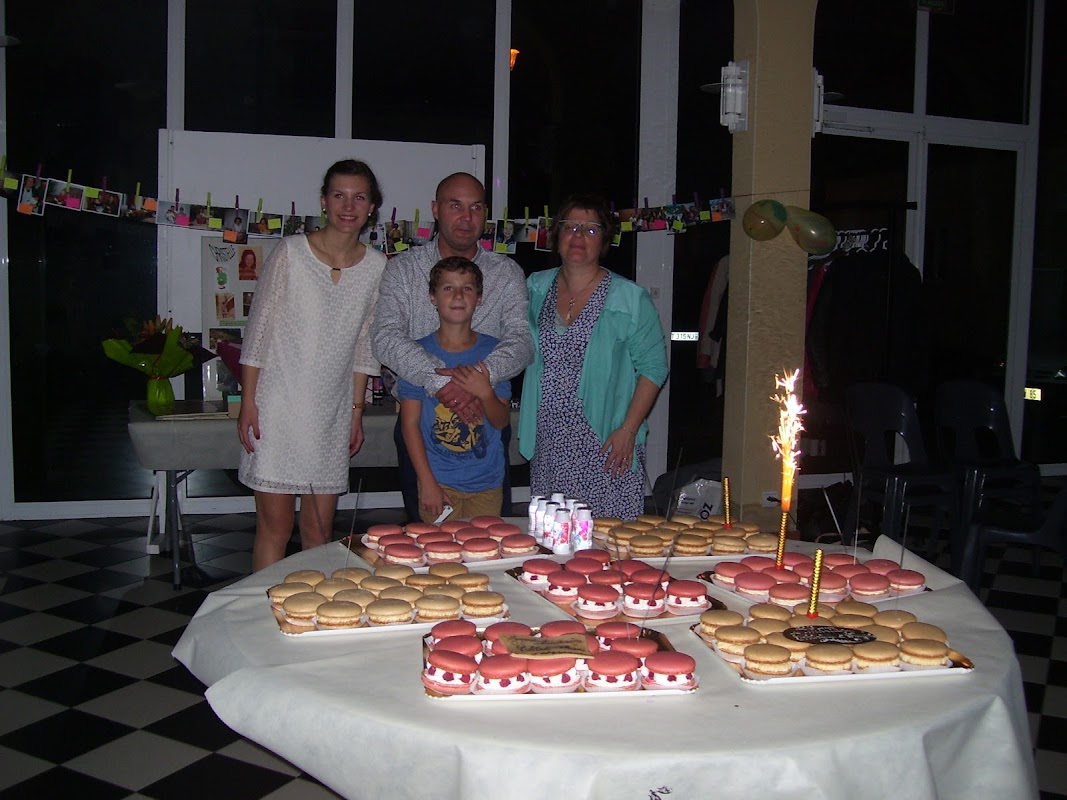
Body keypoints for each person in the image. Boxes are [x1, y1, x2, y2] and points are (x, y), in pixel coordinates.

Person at [237, 159, 387, 571]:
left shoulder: (377, 267)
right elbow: (258, 332)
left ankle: (312, 618)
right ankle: (266, 621)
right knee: (275, 528)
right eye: (339, 195)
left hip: (330, 415)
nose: (348, 205)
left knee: (319, 532)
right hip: (277, 409)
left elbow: (364, 348)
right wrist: (248, 401)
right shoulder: (290, 253)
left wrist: (356, 414)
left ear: (372, 206)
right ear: (324, 201)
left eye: (359, 197)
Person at [372, 172, 532, 521]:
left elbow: (521, 341)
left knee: (489, 540)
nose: (466, 217)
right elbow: (384, 336)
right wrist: (443, 383)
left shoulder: (506, 273)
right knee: (428, 541)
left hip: (486, 428)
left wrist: (480, 379)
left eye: (476, 207)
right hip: (422, 429)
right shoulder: (404, 269)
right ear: (436, 209)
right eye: (455, 205)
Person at [518, 194, 668, 519]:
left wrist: (629, 429)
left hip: (607, 439)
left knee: (606, 547)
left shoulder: (630, 298)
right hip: (550, 440)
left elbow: (654, 368)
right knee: (555, 539)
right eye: (570, 226)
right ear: (556, 235)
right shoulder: (534, 288)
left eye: (590, 229)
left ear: (604, 240)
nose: (577, 236)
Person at [397, 256, 512, 522]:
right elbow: (410, 425)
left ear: (479, 298)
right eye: (448, 288)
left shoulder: (497, 353)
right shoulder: (417, 354)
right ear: (432, 297)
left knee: (483, 558)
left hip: (487, 483)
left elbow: (501, 420)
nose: (458, 296)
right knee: (442, 558)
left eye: (467, 288)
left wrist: (484, 392)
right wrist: (426, 483)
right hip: (438, 482)